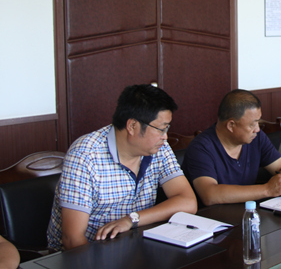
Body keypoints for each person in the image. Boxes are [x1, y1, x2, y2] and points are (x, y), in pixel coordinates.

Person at [47, 85, 197, 251]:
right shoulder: (85, 155)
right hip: (88, 253)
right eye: (161, 129)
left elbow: (188, 202)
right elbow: (72, 239)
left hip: (133, 247)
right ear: (132, 126)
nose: (165, 136)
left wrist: (131, 219)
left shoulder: (158, 148)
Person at [183, 90, 281, 206]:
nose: (257, 129)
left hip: (248, 211)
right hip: (214, 215)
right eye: (252, 124)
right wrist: (267, 189)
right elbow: (210, 195)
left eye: (258, 122)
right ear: (231, 125)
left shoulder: (256, 138)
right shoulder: (201, 148)